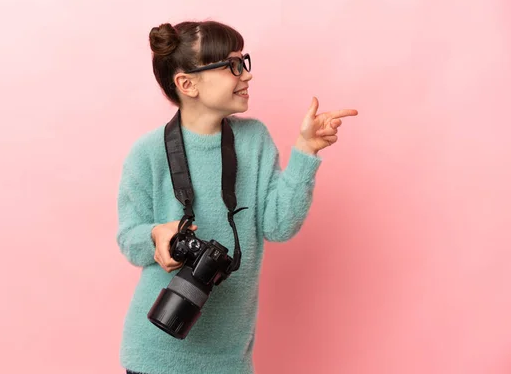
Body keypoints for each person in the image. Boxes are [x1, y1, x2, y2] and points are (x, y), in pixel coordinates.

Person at [116, 20, 358, 374]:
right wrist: (157, 236)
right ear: (187, 83)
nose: (245, 76)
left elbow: (279, 226)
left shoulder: (254, 139)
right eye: (231, 66)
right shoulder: (147, 153)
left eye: (243, 61)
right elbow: (128, 238)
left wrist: (306, 151)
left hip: (230, 359)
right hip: (155, 353)